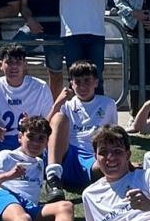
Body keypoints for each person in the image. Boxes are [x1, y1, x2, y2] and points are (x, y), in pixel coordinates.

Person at [0, 44, 54, 170]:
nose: (14, 66)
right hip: (1, 139)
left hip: (29, 139)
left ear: (25, 65)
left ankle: (3, 166)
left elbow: (50, 123)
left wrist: (32, 124)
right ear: (1, 65)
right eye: (9, 62)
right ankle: (10, 165)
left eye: (18, 62)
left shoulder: (40, 87)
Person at [47, 60, 118, 192]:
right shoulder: (66, 104)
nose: (82, 86)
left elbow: (115, 134)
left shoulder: (108, 103)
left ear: (96, 82)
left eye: (87, 81)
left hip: (92, 155)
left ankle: (92, 175)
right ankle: (53, 178)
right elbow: (43, 131)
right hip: (67, 153)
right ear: (71, 84)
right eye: (78, 82)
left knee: (106, 165)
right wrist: (56, 104)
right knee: (58, 118)